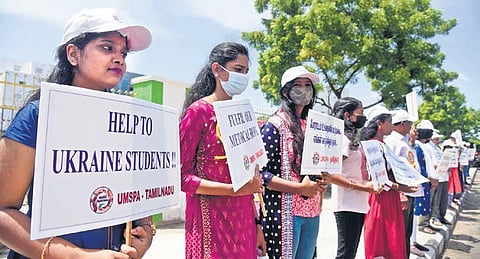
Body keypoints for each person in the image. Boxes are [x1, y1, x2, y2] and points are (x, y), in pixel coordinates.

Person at [0, 8, 153, 259]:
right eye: (107, 48)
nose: (119, 59)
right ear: (73, 54)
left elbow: (140, 196)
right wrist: (77, 256)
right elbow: (3, 212)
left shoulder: (132, 124)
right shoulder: (38, 117)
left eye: (123, 53)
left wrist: (144, 232)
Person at [180, 42, 266, 259]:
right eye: (238, 70)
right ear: (217, 69)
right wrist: (234, 190)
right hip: (210, 221)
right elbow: (182, 178)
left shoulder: (244, 116)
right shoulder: (199, 112)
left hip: (244, 221)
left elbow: (250, 177)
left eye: (246, 72)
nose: (243, 77)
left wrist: (257, 225)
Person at [259, 65, 328, 259]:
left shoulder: (314, 126)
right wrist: (298, 188)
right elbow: (260, 174)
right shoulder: (274, 126)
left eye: (308, 85)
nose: (304, 89)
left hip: (312, 211)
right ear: (285, 91)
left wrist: (321, 181)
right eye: (298, 85)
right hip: (285, 212)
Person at [361, 106, 418, 259]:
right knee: (383, 242)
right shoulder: (373, 146)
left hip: (388, 198)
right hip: (381, 199)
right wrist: (402, 188)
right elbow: (379, 179)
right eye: (390, 122)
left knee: (392, 241)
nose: (392, 126)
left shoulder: (382, 145)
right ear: (379, 124)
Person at [329, 97, 376, 259]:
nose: (363, 117)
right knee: (346, 253)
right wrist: (364, 187)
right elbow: (331, 175)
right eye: (360, 113)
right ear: (347, 115)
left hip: (358, 202)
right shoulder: (341, 140)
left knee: (350, 252)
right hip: (346, 203)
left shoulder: (353, 138)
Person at [384, 109, 422, 257]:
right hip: (401, 193)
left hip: (410, 191)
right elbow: (390, 169)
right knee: (399, 233)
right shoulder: (392, 142)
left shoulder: (404, 141)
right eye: (409, 123)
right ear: (401, 124)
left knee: (407, 231)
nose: (411, 127)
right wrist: (400, 192)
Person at [411, 120, 439, 254]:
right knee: (414, 214)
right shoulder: (416, 146)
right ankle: (411, 242)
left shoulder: (422, 146)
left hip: (423, 182)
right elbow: (420, 167)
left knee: (416, 216)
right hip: (418, 183)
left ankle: (414, 241)